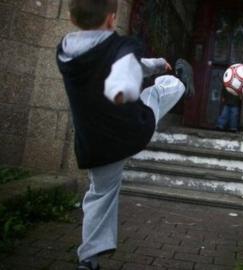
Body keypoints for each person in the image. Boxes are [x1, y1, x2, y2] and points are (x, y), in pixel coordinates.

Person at [56, 1, 194, 269]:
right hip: (131, 130)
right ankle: (181, 85)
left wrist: (147, 66)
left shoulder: (64, 54)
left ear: (72, 19)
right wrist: (145, 72)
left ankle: (88, 259)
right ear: (112, 19)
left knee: (100, 194)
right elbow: (127, 68)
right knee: (156, 92)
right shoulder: (122, 48)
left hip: (94, 145)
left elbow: (114, 62)